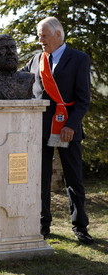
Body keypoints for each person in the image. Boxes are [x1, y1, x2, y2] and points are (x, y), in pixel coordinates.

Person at [21, 17, 93, 245]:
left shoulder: (79, 59)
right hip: (40, 129)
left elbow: (83, 100)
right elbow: (15, 77)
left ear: (58, 35)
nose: (40, 39)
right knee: (40, 179)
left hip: (67, 129)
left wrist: (71, 125)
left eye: (43, 35)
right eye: (39, 35)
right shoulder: (36, 60)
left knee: (74, 179)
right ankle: (43, 225)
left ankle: (80, 227)